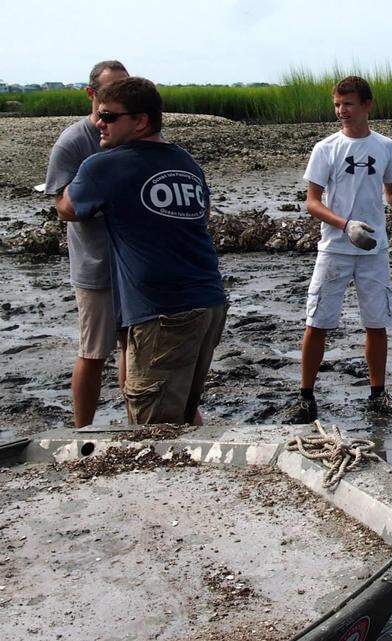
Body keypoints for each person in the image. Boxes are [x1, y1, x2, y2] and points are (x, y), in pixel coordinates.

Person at [56, 77, 227, 425]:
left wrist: (69, 190)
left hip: (162, 312)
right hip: (210, 302)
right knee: (184, 414)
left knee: (153, 430)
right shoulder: (186, 161)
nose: (99, 123)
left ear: (141, 121)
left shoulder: (104, 165)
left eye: (109, 116)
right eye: (99, 114)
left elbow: (68, 208)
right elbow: (204, 215)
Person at [285, 76, 392, 423]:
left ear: (366, 105)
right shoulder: (326, 148)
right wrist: (346, 225)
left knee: (377, 323)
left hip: (374, 249)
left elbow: (391, 195)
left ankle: (378, 395)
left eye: (348, 104)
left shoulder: (385, 146)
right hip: (335, 248)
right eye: (337, 104)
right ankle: (306, 398)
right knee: (317, 321)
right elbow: (312, 202)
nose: (341, 111)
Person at [43, 60, 129, 427]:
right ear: (91, 93)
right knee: (93, 352)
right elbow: (63, 206)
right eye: (111, 90)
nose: (119, 95)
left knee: (133, 349)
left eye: (125, 87)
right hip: (95, 265)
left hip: (134, 264)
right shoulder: (74, 141)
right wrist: (98, 197)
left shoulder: (132, 132)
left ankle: (138, 423)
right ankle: (82, 431)